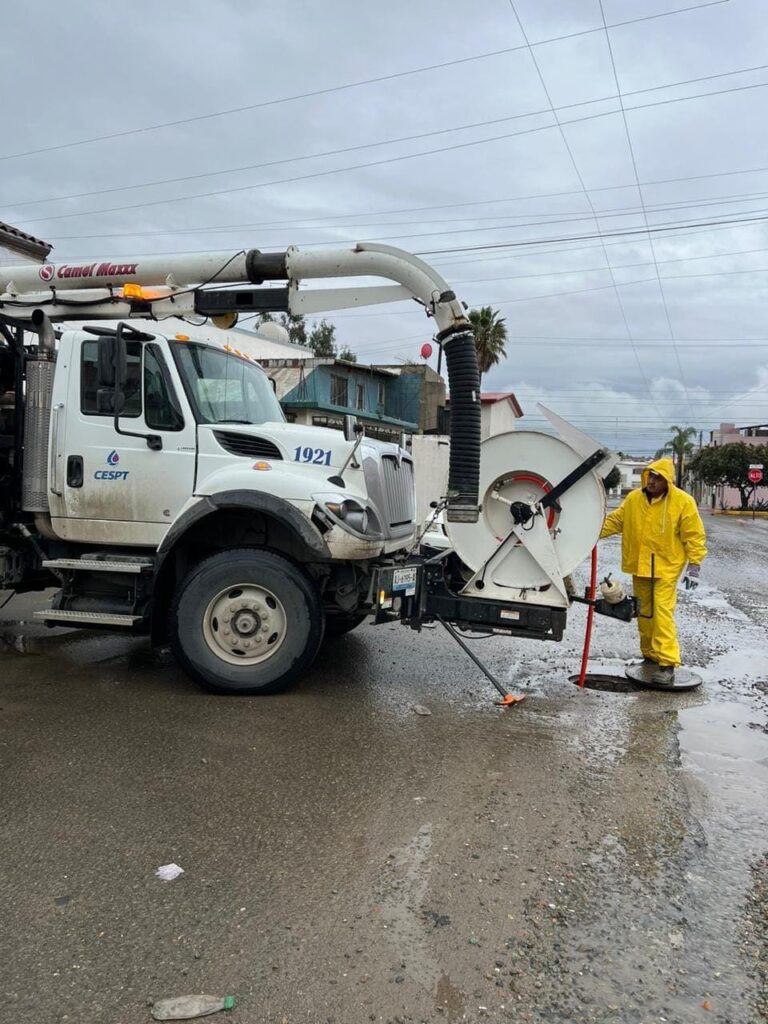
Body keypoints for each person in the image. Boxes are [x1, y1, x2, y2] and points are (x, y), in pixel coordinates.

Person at [599, 457, 707, 686]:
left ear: (668, 480)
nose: (652, 481)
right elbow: (616, 522)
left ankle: (667, 664)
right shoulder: (634, 499)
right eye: (650, 476)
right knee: (644, 612)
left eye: (658, 477)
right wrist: (588, 533)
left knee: (662, 612)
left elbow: (693, 535)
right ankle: (650, 656)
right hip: (640, 565)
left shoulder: (682, 502)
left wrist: (695, 565)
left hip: (667, 567)